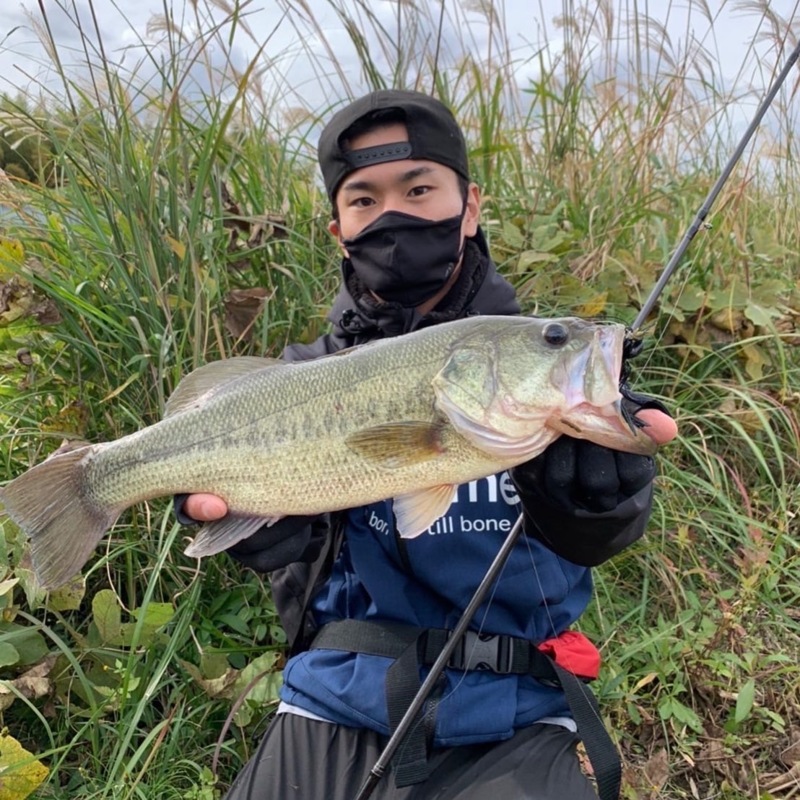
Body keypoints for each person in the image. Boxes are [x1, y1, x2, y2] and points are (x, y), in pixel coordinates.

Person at [179, 90, 677, 800]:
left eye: (418, 188)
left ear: (470, 206)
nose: (394, 216)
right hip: (333, 698)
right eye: (364, 200)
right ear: (338, 228)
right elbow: (291, 560)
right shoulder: (295, 377)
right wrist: (258, 529)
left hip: (519, 714)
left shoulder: (534, 361)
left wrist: (602, 508)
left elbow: (611, 504)